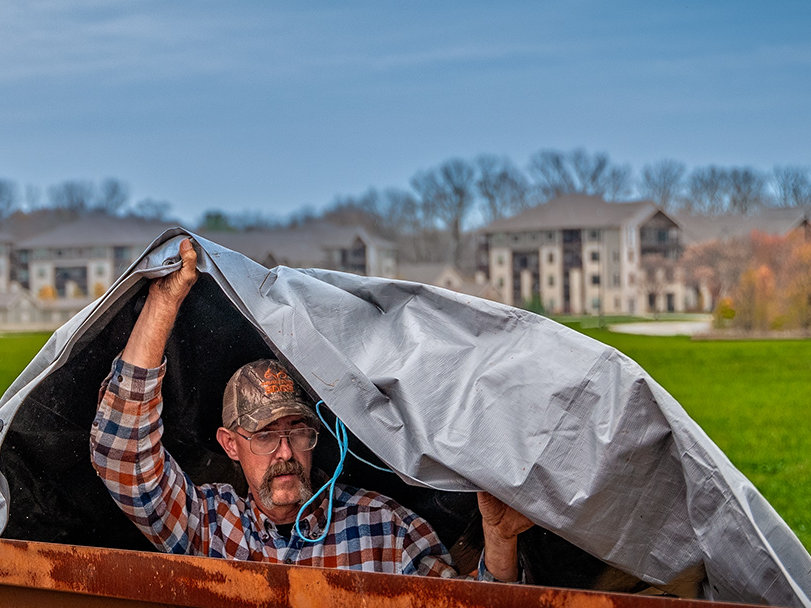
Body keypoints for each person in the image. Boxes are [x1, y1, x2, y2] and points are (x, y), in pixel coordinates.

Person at [91, 237, 533, 581]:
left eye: (297, 432)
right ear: (230, 444)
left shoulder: (386, 530)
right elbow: (121, 454)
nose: (285, 452)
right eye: (264, 435)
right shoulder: (207, 525)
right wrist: (164, 301)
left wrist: (498, 539)